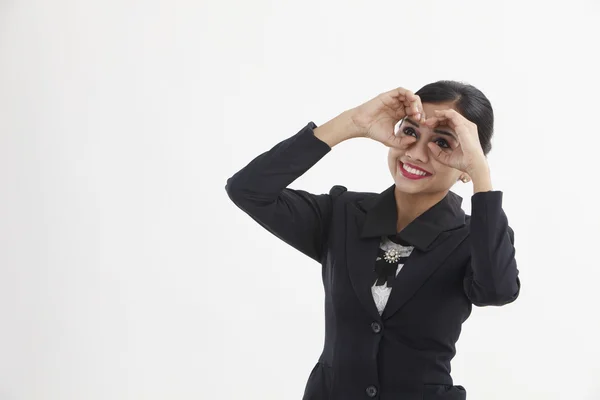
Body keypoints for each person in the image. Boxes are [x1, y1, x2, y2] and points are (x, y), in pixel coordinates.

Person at [225, 80, 521, 400]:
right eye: (410, 132)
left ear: (469, 163)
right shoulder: (342, 213)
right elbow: (248, 190)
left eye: (443, 143)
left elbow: (496, 291)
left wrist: (482, 176)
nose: (417, 153)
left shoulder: (475, 236)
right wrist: (351, 123)